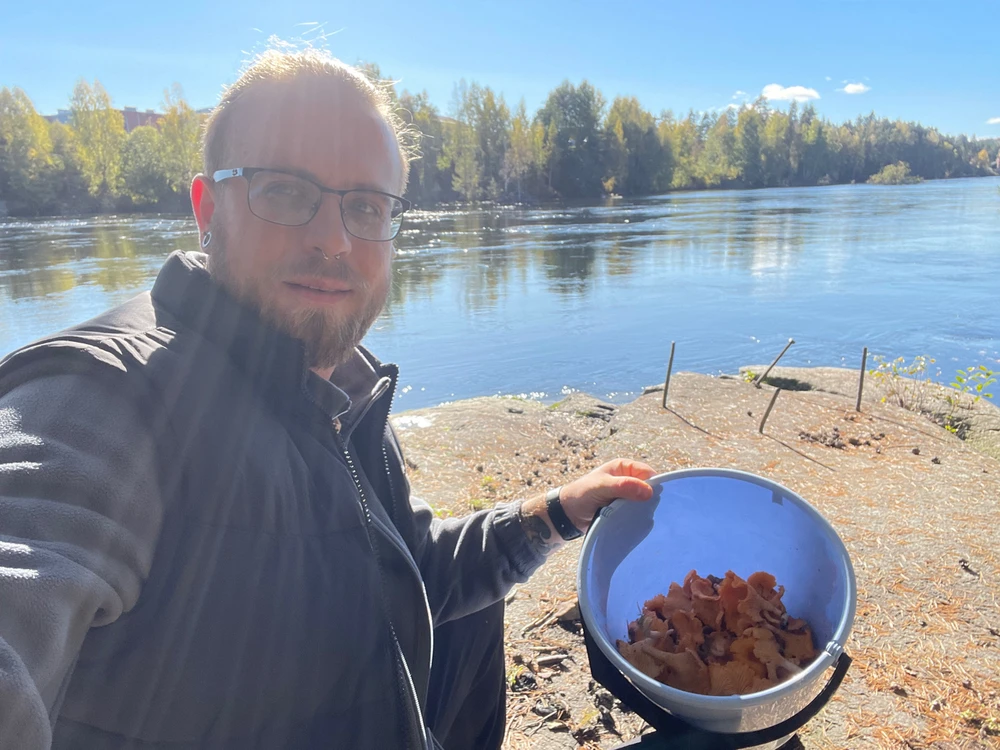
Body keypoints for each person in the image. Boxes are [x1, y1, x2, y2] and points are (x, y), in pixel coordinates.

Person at [0, 48, 655, 749]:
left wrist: (557, 511)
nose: (335, 240)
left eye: (367, 205)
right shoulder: (105, 398)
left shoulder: (341, 384)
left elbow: (413, 573)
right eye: (284, 191)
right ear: (206, 208)